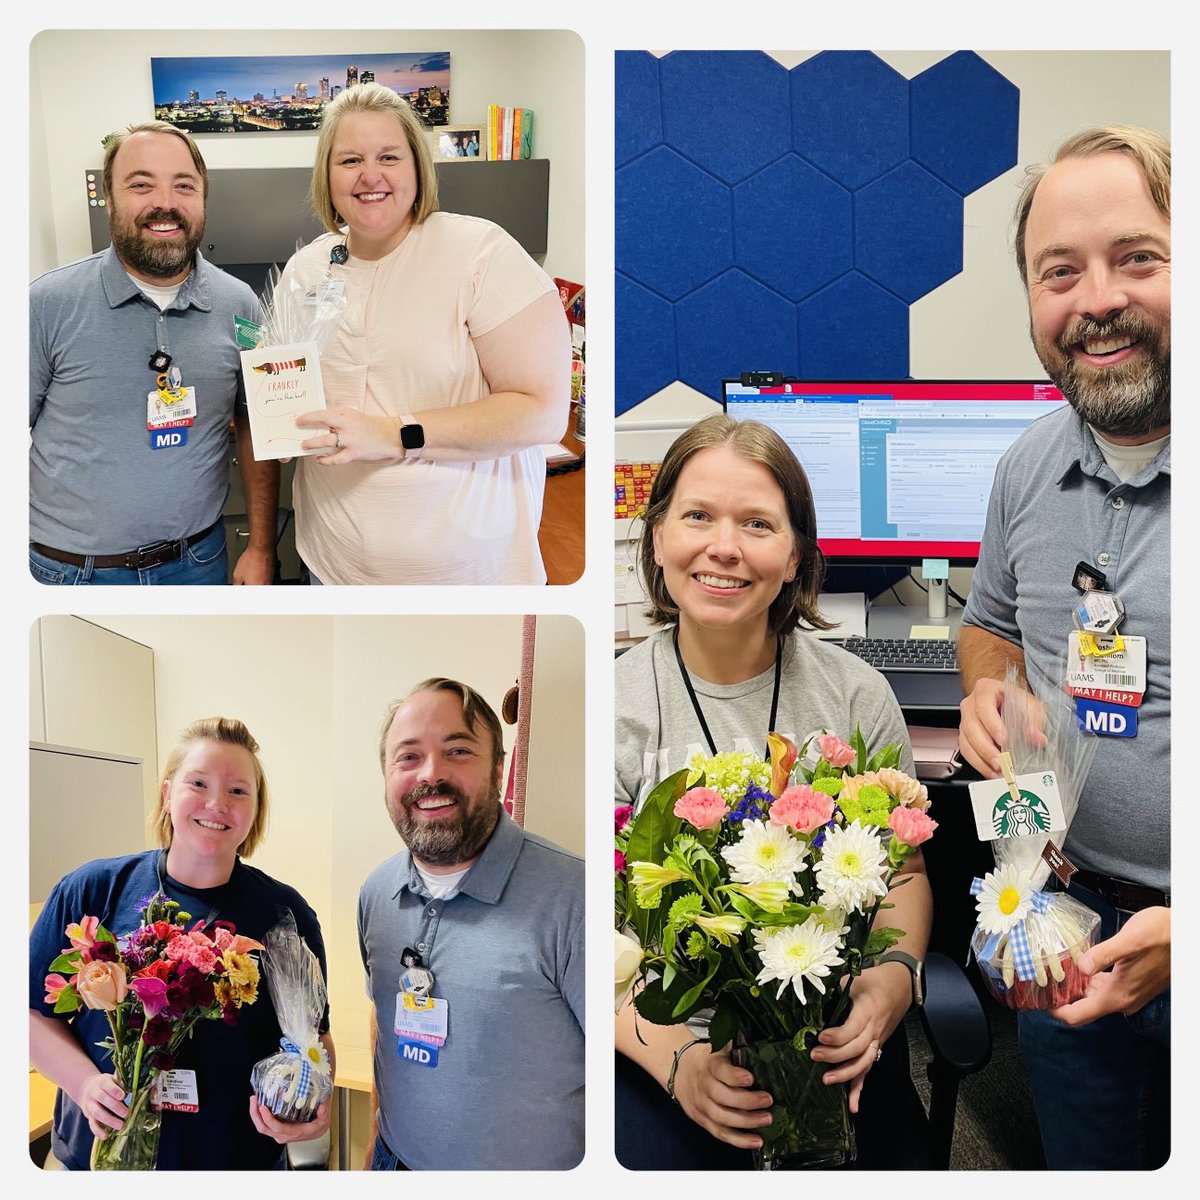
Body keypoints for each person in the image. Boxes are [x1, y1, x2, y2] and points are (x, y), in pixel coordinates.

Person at [614, 414, 932, 1169]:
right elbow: (593, 937)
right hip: (669, 1050)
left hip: (830, 1037)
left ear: (794, 557)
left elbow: (907, 875)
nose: (724, 546)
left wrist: (894, 980)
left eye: (757, 523)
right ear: (657, 538)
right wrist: (674, 1062)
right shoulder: (616, 703)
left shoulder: (856, 697)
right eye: (697, 517)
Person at [957, 125, 1170, 1170]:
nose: (1097, 301)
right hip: (1066, 915)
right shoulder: (1027, 465)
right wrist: (986, 690)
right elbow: (989, 627)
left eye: (1138, 258)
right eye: (1060, 273)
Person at [279, 83, 570, 584]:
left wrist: (393, 434)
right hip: (332, 564)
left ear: (418, 166)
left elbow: (541, 413)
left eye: (388, 156)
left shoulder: (480, 253)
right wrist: (281, 421)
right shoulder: (307, 269)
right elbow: (290, 385)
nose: (370, 176)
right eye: (349, 160)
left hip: (465, 574)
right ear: (326, 176)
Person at [29, 717, 333, 1169]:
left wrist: (313, 1113)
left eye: (238, 790)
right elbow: (30, 1013)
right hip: (100, 1158)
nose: (217, 803)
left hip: (236, 1163)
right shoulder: (93, 890)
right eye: (198, 783)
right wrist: (85, 1085)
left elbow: (315, 1037)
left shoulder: (283, 916)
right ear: (167, 794)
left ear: (255, 809)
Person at [29, 121, 278, 586]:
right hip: (68, 572)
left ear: (203, 197)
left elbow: (255, 428)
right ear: (110, 196)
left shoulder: (240, 305)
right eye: (141, 184)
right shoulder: (47, 304)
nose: (165, 202)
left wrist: (262, 547)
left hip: (199, 563)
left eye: (183, 185)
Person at [359, 678, 583, 1169]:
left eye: (458, 750)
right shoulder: (376, 893)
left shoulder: (575, 897)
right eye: (408, 757)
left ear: (499, 771)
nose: (430, 774)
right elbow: (384, 1018)